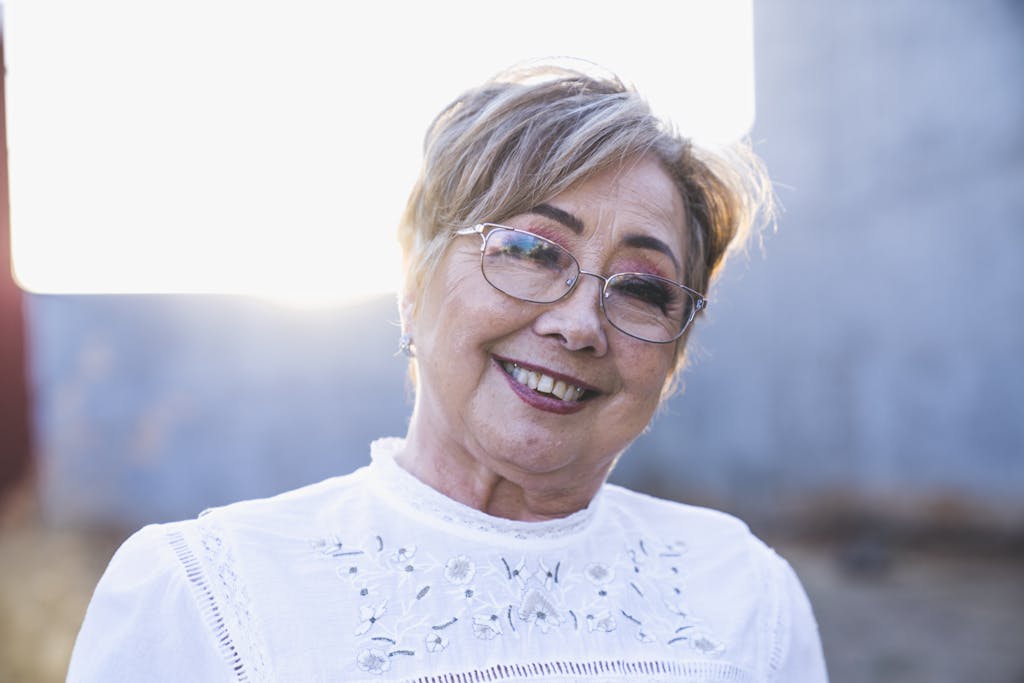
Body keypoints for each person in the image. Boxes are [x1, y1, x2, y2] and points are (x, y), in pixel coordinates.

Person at [68, 63, 828, 682]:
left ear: (675, 349)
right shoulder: (204, 596)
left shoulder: (749, 594)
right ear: (415, 279)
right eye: (531, 252)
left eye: (642, 287)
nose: (579, 324)